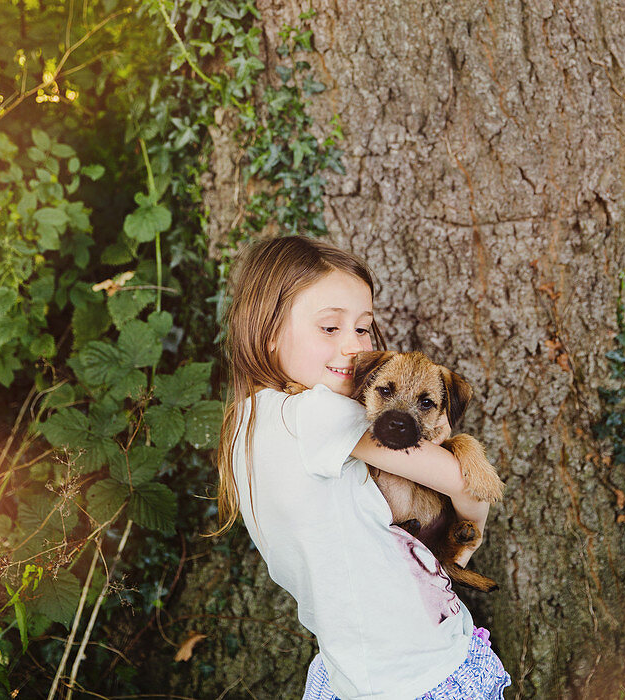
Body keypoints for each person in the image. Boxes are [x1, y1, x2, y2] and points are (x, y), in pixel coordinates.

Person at [218, 234, 511, 700]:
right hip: (420, 670)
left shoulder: (247, 421)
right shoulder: (314, 413)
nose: (354, 347)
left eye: (362, 328)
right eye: (329, 328)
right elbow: (469, 488)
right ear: (269, 331)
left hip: (348, 669)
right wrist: (468, 536)